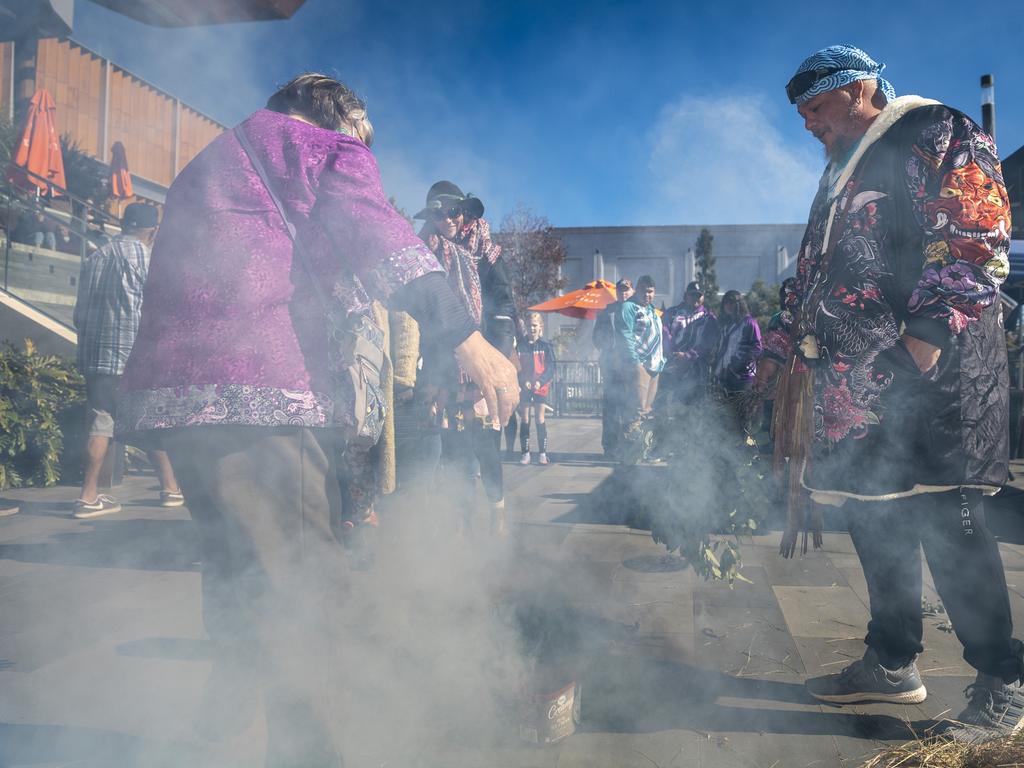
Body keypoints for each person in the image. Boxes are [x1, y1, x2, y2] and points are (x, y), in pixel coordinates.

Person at [115, 75, 519, 766]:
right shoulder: (320, 147)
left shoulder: (213, 161)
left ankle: (221, 736)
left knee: (241, 577)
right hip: (266, 402)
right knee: (309, 599)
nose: (365, 152)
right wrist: (469, 339)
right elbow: (380, 239)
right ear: (342, 120)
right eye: (364, 139)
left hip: (181, 413)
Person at [779, 45, 1020, 743]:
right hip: (859, 392)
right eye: (800, 115)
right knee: (874, 519)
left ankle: (1003, 681)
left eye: (816, 108)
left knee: (949, 524)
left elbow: (978, 232)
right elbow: (819, 271)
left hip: (935, 379)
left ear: (858, 91)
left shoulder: (936, 131)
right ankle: (891, 663)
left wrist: (925, 335)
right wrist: (787, 346)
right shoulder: (837, 172)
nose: (807, 125)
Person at [416, 180, 517, 536]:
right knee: (454, 447)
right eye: (437, 213)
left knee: (486, 447)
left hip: (484, 359)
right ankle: (460, 520)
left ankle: (497, 513)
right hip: (442, 363)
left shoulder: (487, 252)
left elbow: (504, 306)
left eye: (453, 210)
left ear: (466, 212)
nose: (447, 219)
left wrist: (497, 358)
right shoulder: (421, 252)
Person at [71, 203, 182, 518]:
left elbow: (79, 314)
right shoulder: (148, 260)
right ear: (154, 231)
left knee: (100, 422)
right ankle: (170, 488)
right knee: (149, 420)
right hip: (134, 358)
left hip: (97, 359)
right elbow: (161, 313)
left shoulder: (95, 257)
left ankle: (88, 497)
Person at [616, 274, 665, 432]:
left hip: (655, 365)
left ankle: (643, 451)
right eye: (644, 291)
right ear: (637, 290)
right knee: (636, 411)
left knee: (647, 410)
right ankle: (631, 453)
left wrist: (662, 360)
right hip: (639, 364)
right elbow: (625, 335)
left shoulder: (652, 310)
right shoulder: (628, 307)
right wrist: (635, 361)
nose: (647, 295)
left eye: (650, 291)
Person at [659, 280, 719, 406]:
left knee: (692, 408)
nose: (695, 298)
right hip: (670, 366)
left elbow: (708, 343)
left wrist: (687, 356)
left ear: (703, 297)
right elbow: (663, 332)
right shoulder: (672, 313)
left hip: (696, 370)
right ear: (685, 295)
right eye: (692, 294)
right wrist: (674, 355)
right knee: (663, 405)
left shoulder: (709, 318)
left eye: (698, 295)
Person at [593, 278, 633, 456]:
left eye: (626, 289)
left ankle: (629, 445)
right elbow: (596, 339)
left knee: (629, 408)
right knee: (610, 408)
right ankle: (609, 446)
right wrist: (609, 347)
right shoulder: (606, 312)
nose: (623, 293)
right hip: (611, 367)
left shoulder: (637, 310)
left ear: (631, 291)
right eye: (620, 290)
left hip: (632, 368)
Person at [517, 312, 557, 465]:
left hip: (540, 386)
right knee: (525, 418)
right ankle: (525, 453)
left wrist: (541, 381)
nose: (531, 328)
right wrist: (523, 381)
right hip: (525, 386)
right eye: (529, 325)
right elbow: (516, 366)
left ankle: (542, 453)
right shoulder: (520, 345)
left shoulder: (546, 345)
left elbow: (551, 367)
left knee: (540, 418)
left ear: (540, 327)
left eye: (534, 325)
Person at [711, 289, 762, 394]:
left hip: (743, 378)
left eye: (731, 302)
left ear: (739, 304)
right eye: (725, 302)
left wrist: (738, 363)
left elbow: (757, 348)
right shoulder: (726, 325)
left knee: (741, 409)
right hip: (724, 378)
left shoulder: (750, 323)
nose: (728, 305)